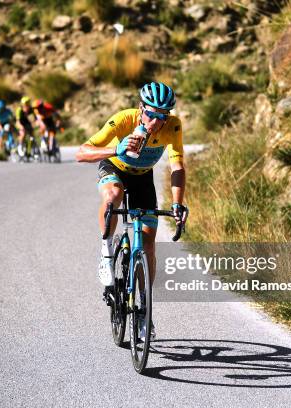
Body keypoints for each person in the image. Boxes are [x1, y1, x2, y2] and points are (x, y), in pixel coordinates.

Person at [75, 81, 189, 341]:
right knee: (113, 195)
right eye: (150, 114)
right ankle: (106, 253)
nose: (156, 122)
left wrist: (178, 202)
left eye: (163, 116)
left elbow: (178, 166)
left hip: (142, 178)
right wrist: (118, 148)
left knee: (148, 242)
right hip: (114, 169)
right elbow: (82, 153)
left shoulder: (173, 126)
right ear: (141, 108)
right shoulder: (123, 120)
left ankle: (144, 312)